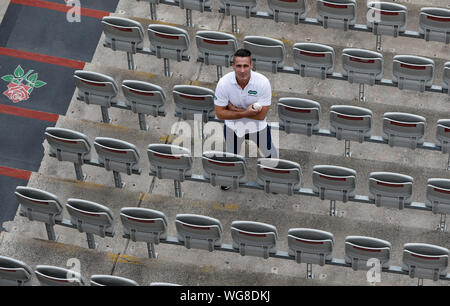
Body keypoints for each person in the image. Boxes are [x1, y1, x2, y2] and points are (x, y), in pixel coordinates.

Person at [214, 48, 277, 190]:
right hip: (233, 128)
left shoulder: (263, 83)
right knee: (232, 158)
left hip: (258, 128)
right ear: (233, 66)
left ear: (251, 66)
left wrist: (234, 109)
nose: (242, 70)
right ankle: (230, 177)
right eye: (238, 66)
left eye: (245, 66)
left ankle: (273, 178)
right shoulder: (224, 83)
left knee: (270, 155)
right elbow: (220, 114)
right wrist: (247, 112)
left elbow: (261, 116)